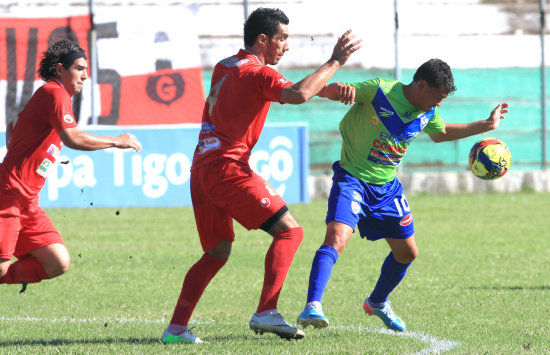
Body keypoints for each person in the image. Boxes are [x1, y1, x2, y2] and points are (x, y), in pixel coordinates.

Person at [161, 7, 361, 344]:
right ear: (263, 39)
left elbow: (282, 91)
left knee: (217, 252)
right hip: (228, 168)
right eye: (282, 39)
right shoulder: (258, 74)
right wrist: (335, 61)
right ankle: (266, 310)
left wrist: (322, 89)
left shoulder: (226, 66)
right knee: (290, 232)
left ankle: (176, 329)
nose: (286, 46)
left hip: (202, 169)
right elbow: (294, 94)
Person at [296, 58, 509, 332]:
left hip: (387, 189)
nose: (439, 103)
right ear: (421, 85)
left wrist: (487, 125)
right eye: (437, 96)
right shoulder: (380, 90)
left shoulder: (428, 112)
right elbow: (334, 90)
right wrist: (338, 90)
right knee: (336, 238)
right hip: (353, 180)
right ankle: (313, 305)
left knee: (407, 253)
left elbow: (441, 133)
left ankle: (377, 302)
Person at [0, 40, 142, 293]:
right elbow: (72, 138)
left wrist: (20, 142)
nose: (85, 76)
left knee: (57, 262)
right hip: (8, 194)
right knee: (1, 265)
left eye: (86, 69)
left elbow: (13, 126)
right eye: (79, 68)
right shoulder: (55, 92)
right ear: (59, 69)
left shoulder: (50, 94)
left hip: (27, 202)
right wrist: (116, 141)